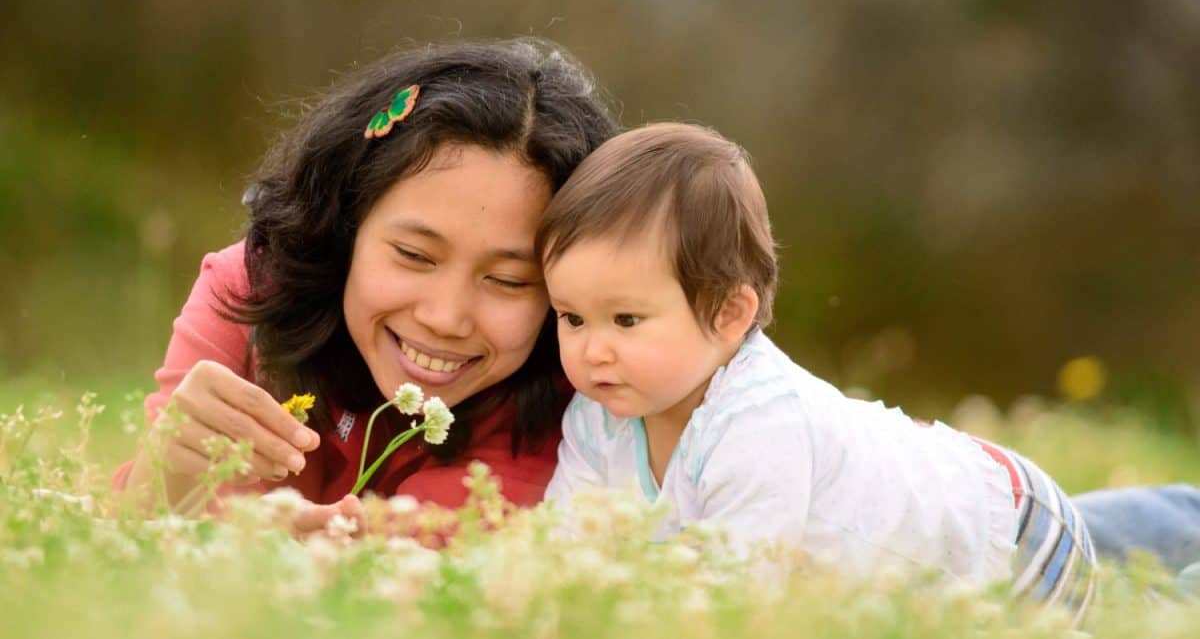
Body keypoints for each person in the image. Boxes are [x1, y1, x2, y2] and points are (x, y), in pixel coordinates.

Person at [537, 122, 1096, 622]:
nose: (592, 350)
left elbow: (737, 599)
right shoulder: (595, 418)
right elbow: (560, 552)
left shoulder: (756, 422)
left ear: (730, 315)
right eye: (573, 318)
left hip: (1013, 540)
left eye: (626, 319)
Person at [112, 38, 619, 528]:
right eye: (414, 255)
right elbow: (125, 546)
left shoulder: (576, 392)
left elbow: (425, 573)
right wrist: (167, 468)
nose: (443, 318)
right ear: (345, 226)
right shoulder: (249, 292)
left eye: (507, 280)